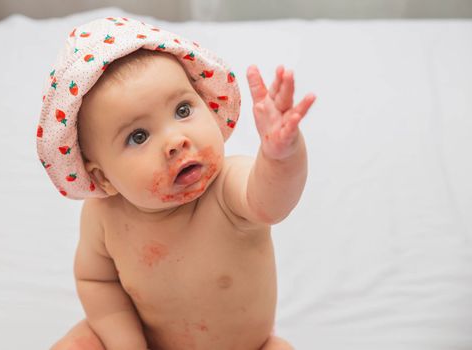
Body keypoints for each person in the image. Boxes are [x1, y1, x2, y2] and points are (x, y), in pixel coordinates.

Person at [37, 16, 315, 350]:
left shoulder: (228, 188)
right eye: (138, 136)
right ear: (102, 178)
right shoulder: (104, 216)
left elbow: (273, 199)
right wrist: (126, 343)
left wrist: (281, 156)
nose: (175, 140)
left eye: (183, 110)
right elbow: (96, 280)